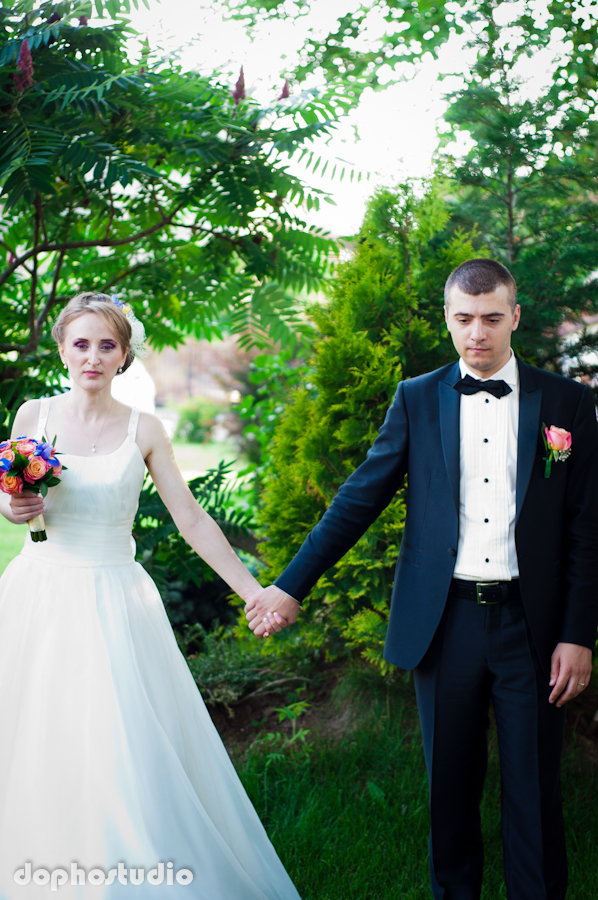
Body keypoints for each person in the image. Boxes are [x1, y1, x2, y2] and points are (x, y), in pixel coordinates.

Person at [245, 259, 598, 900]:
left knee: (536, 795)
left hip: (534, 627)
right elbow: (357, 500)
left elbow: (585, 527)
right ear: (448, 319)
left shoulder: (568, 403)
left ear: (515, 316)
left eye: (492, 318)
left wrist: (578, 634)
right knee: (449, 795)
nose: (478, 334)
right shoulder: (416, 398)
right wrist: (289, 586)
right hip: (445, 623)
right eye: (464, 319)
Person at [0, 292, 302, 900]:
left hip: (113, 600)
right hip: (38, 595)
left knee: (115, 743)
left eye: (106, 345)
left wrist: (255, 591)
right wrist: (13, 505)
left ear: (124, 355)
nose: (92, 357)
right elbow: (11, 502)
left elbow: (191, 520)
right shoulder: (33, 416)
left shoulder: (145, 429)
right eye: (80, 344)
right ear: (62, 349)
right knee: (34, 734)